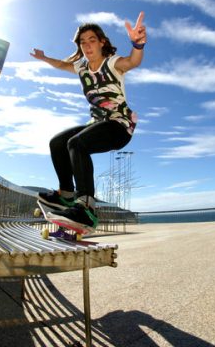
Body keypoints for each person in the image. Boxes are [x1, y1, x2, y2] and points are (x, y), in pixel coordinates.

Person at [30, 12, 147, 230]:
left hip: (118, 127)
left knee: (76, 143)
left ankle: (86, 208)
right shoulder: (81, 67)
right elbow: (62, 64)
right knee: (57, 142)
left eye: (92, 40)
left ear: (102, 42)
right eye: (83, 42)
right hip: (96, 124)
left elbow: (132, 62)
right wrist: (45, 58)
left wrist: (137, 45)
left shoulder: (112, 63)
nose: (87, 46)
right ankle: (66, 194)